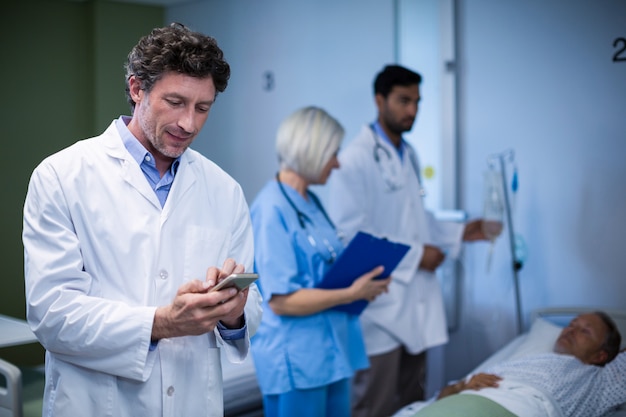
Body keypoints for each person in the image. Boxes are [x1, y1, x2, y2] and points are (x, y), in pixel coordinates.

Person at [22, 23, 262, 417]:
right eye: (175, 102)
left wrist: (233, 310)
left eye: (203, 108)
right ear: (137, 89)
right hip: (95, 403)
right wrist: (162, 323)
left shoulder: (224, 190)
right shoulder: (62, 176)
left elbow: (253, 311)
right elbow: (52, 314)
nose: (189, 123)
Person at [326, 64, 499, 417]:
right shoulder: (354, 159)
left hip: (414, 308)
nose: (412, 111)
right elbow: (351, 235)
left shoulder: (410, 155)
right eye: (404, 100)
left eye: (417, 102)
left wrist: (463, 231)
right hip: (380, 310)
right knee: (373, 406)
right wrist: (417, 257)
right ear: (379, 100)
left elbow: (417, 220)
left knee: (413, 405)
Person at [249, 106, 391, 417]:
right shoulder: (271, 209)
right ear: (311, 150)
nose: (337, 163)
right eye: (333, 153)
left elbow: (326, 266)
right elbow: (281, 301)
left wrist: (367, 279)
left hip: (331, 351)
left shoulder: (310, 201)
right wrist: (352, 293)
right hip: (296, 359)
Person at [404, 311, 625, 417]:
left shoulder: (597, 380)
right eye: (571, 324)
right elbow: (440, 396)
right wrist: (461, 387)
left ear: (601, 356)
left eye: (585, 331)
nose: (571, 330)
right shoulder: (519, 362)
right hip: (449, 407)